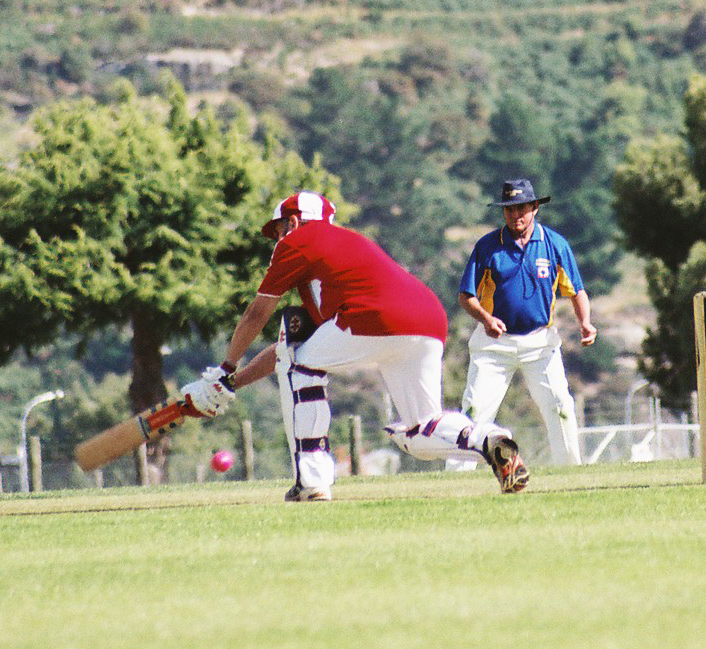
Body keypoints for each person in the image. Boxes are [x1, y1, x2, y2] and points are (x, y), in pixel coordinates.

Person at [182, 190, 529, 501]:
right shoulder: (338, 259)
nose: (276, 240)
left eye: (277, 231)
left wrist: (224, 369)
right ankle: (489, 440)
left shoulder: (298, 240)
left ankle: (312, 481)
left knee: (300, 367)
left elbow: (258, 313)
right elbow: (287, 349)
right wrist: (231, 385)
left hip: (376, 317)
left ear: (292, 222)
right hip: (427, 319)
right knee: (420, 431)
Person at [456, 177, 598, 466]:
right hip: (493, 344)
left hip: (540, 343)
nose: (515, 215)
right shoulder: (487, 246)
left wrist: (586, 322)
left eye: (521, 208)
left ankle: (571, 472)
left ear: (534, 208)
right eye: (509, 209)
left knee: (561, 406)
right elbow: (466, 296)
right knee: (474, 411)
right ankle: (457, 475)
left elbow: (576, 290)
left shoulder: (555, 244)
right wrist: (485, 318)